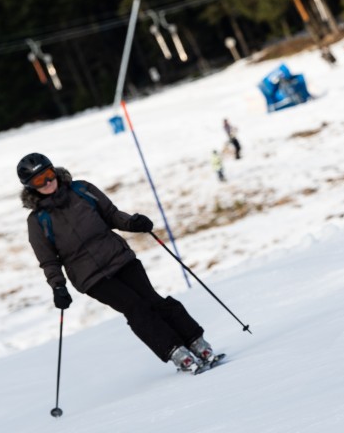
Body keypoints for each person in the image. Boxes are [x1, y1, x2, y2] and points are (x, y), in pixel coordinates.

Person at [18, 153, 218, 373]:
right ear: (30, 187)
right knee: (135, 308)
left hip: (120, 258)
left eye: (48, 175)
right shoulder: (38, 221)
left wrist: (132, 223)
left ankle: (197, 344)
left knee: (152, 299)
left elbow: (111, 215)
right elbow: (48, 260)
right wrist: (58, 286)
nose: (47, 183)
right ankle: (177, 353)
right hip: (91, 278)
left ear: (54, 171)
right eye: (39, 180)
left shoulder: (82, 190)